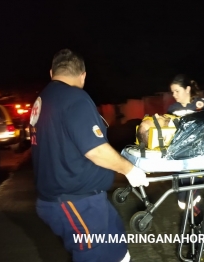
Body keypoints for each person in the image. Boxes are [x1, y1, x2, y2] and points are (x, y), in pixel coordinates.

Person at [30, 49, 149, 262]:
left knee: (119, 253)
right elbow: (95, 150)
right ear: (83, 75)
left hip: (83, 199)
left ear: (51, 73)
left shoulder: (43, 100)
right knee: (94, 256)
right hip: (76, 202)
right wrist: (130, 170)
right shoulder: (74, 98)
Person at [167, 74, 204, 225]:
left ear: (187, 89)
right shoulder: (172, 109)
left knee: (194, 189)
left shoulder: (203, 106)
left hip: (198, 157)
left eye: (176, 91)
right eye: (172, 92)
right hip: (179, 157)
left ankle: (196, 219)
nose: (174, 95)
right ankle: (191, 218)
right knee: (182, 194)